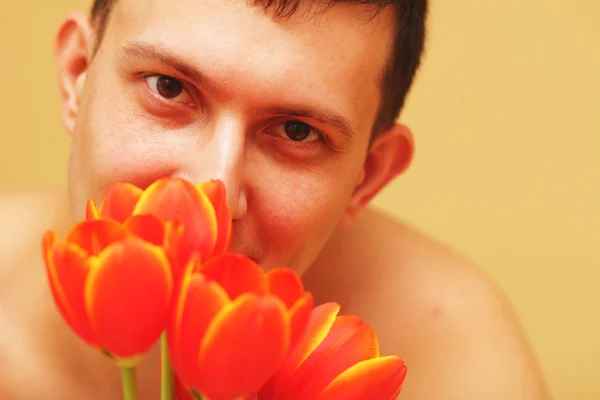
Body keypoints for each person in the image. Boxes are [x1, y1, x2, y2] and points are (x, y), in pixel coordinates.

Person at [0, 0, 550, 399]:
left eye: (295, 130)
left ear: (367, 176)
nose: (211, 192)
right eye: (168, 88)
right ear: (77, 76)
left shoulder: (453, 364)